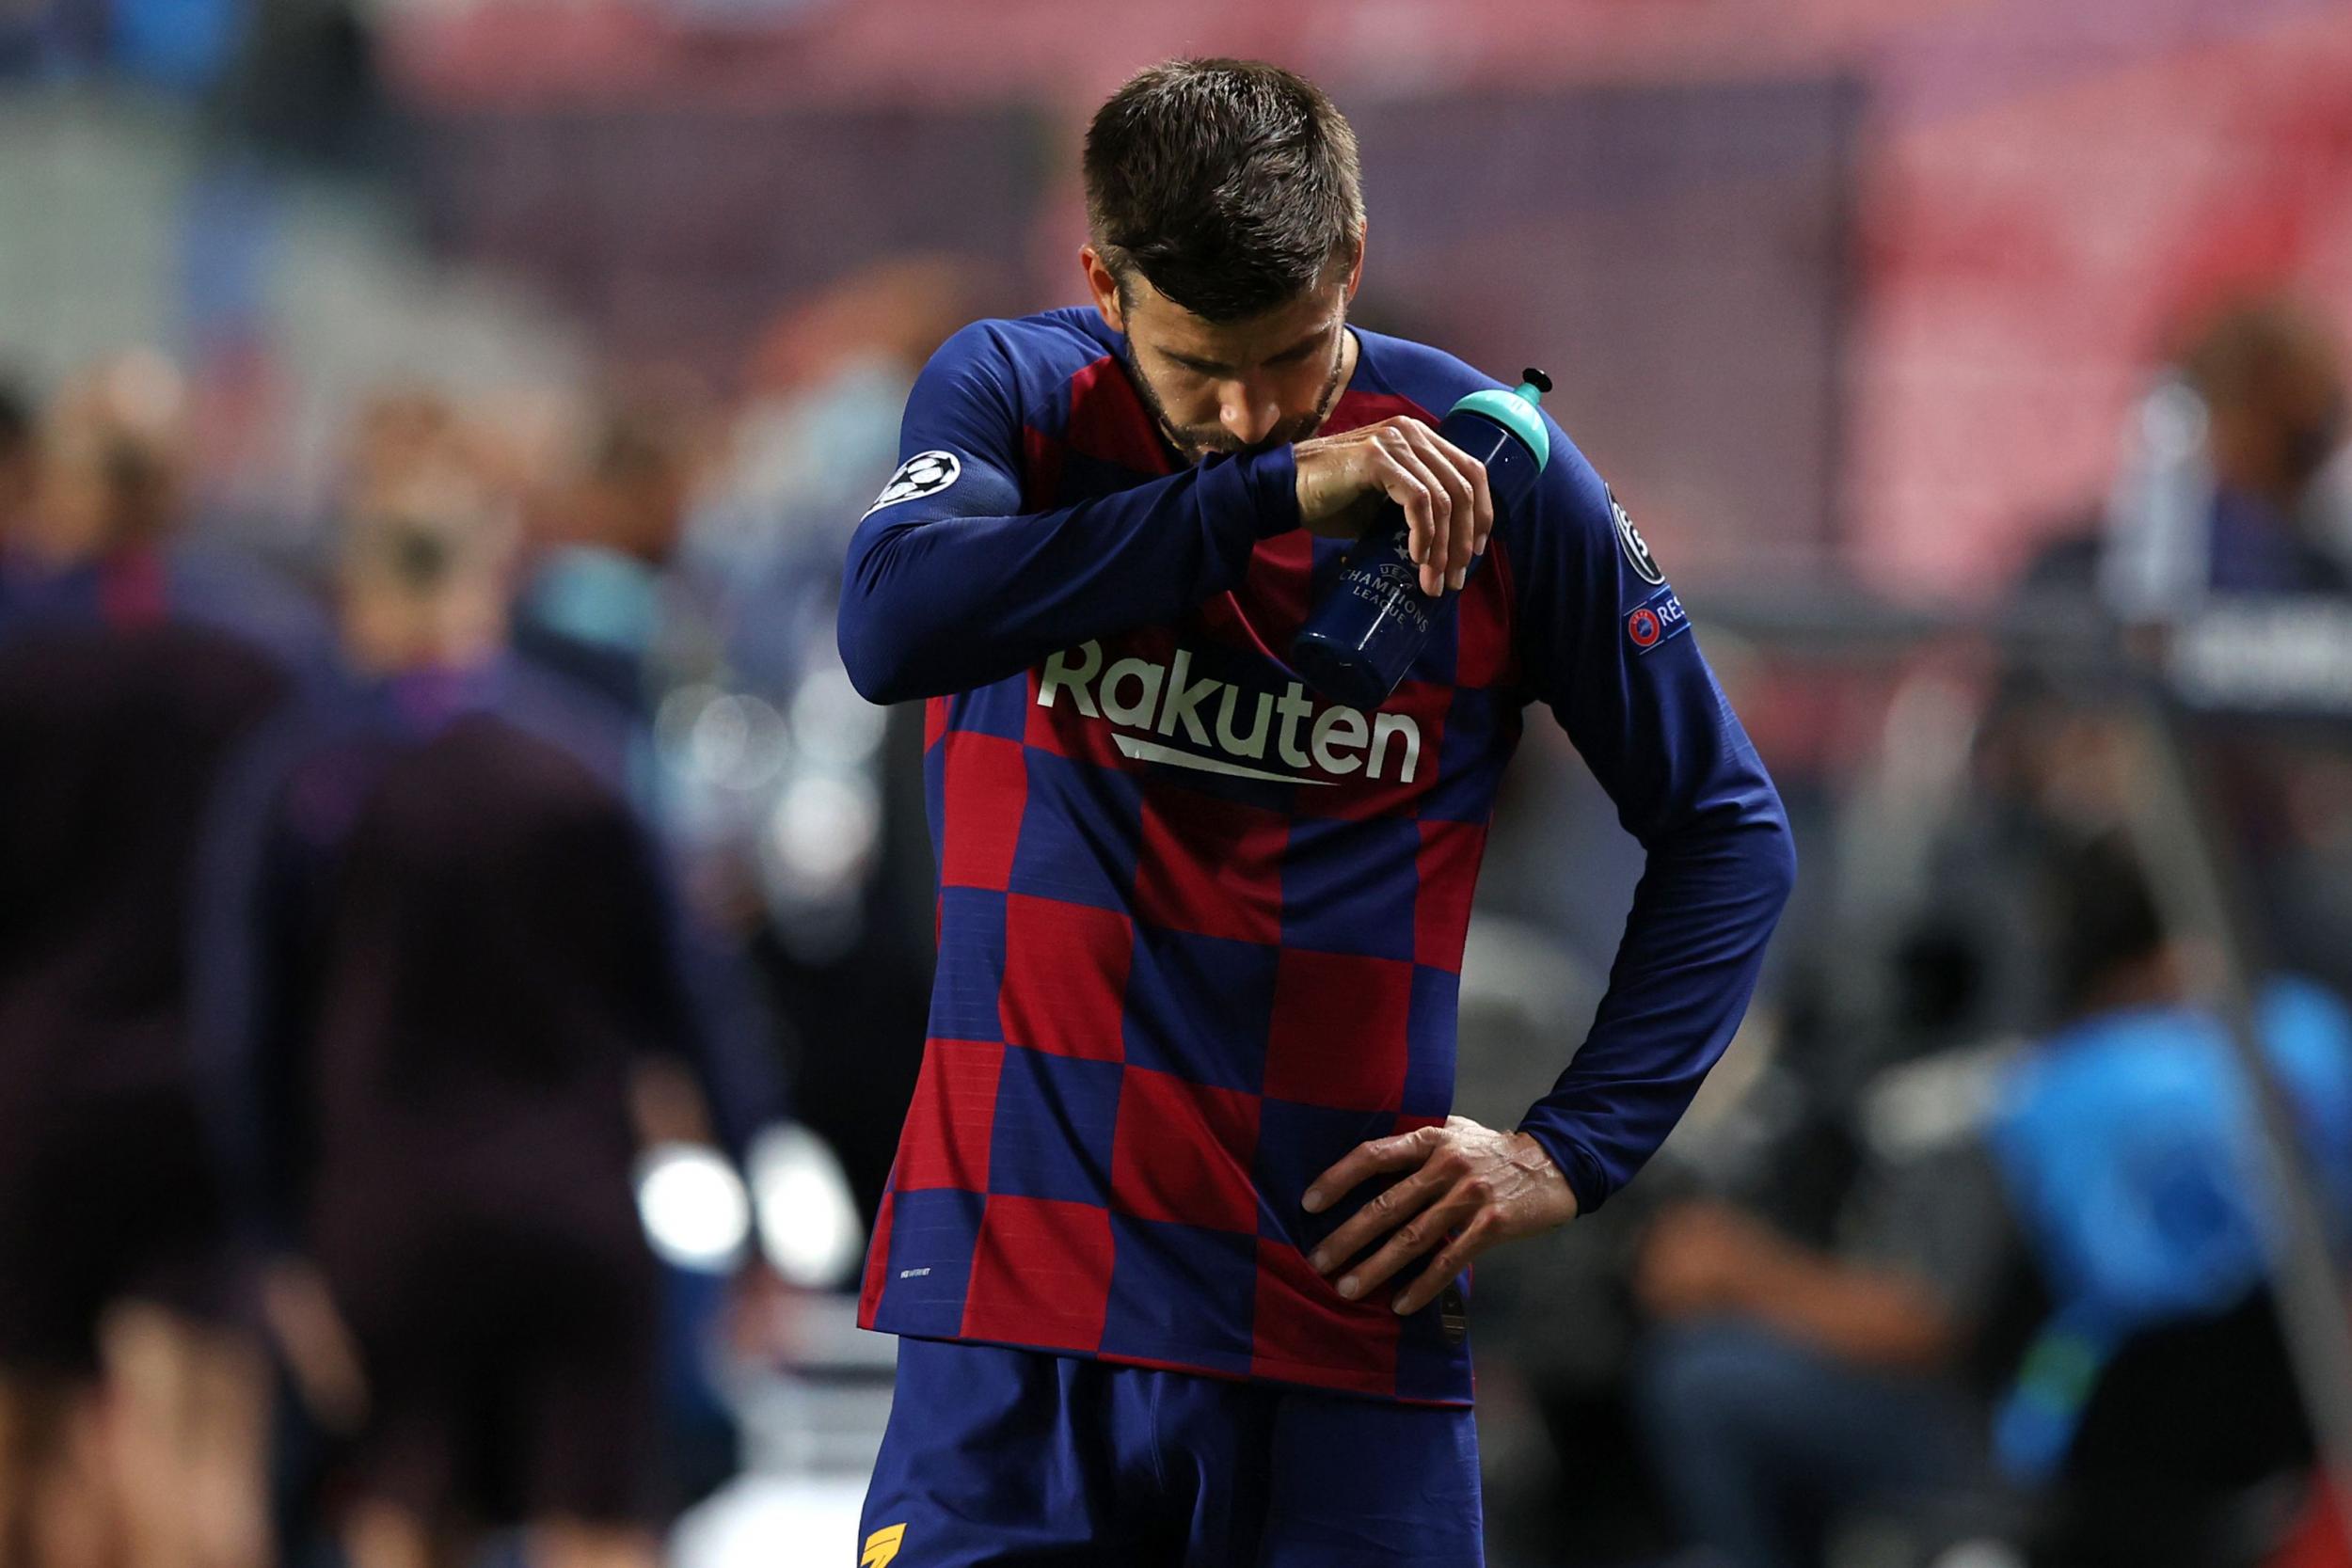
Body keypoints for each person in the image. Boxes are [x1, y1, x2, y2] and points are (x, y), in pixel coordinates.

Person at [835, 58, 1796, 1566]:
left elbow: (1730, 828)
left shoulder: (1494, 465)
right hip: (1012, 1320)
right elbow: (889, 627)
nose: (1245, 410)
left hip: (1339, 1333)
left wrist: (1570, 1147)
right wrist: (1276, 492)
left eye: (1290, 357)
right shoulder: (1019, 394)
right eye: (1197, 366)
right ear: (1104, 279)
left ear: (1349, 256)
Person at [199, 463, 779, 1568]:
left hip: (390, 1217)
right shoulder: (578, 760)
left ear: (360, 591)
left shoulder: (308, 780)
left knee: (408, 1513)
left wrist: (274, 1242)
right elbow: (695, 999)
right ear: (487, 582)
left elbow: (249, 1034)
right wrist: (753, 1201)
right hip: (577, 1202)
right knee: (601, 1518)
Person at [1633, 833, 2338, 1568]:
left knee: (1700, 1376)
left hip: (2071, 1452)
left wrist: (1744, 1270)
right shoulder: (2310, 1034)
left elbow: (1931, 1319)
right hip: (2282, 1425)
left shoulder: (2051, 1091)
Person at [0, 358, 291, 1568]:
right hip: (206, 1087)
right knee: (202, 1448)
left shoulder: (21, 661)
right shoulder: (263, 662)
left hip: (35, 1084)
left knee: (26, 1444)